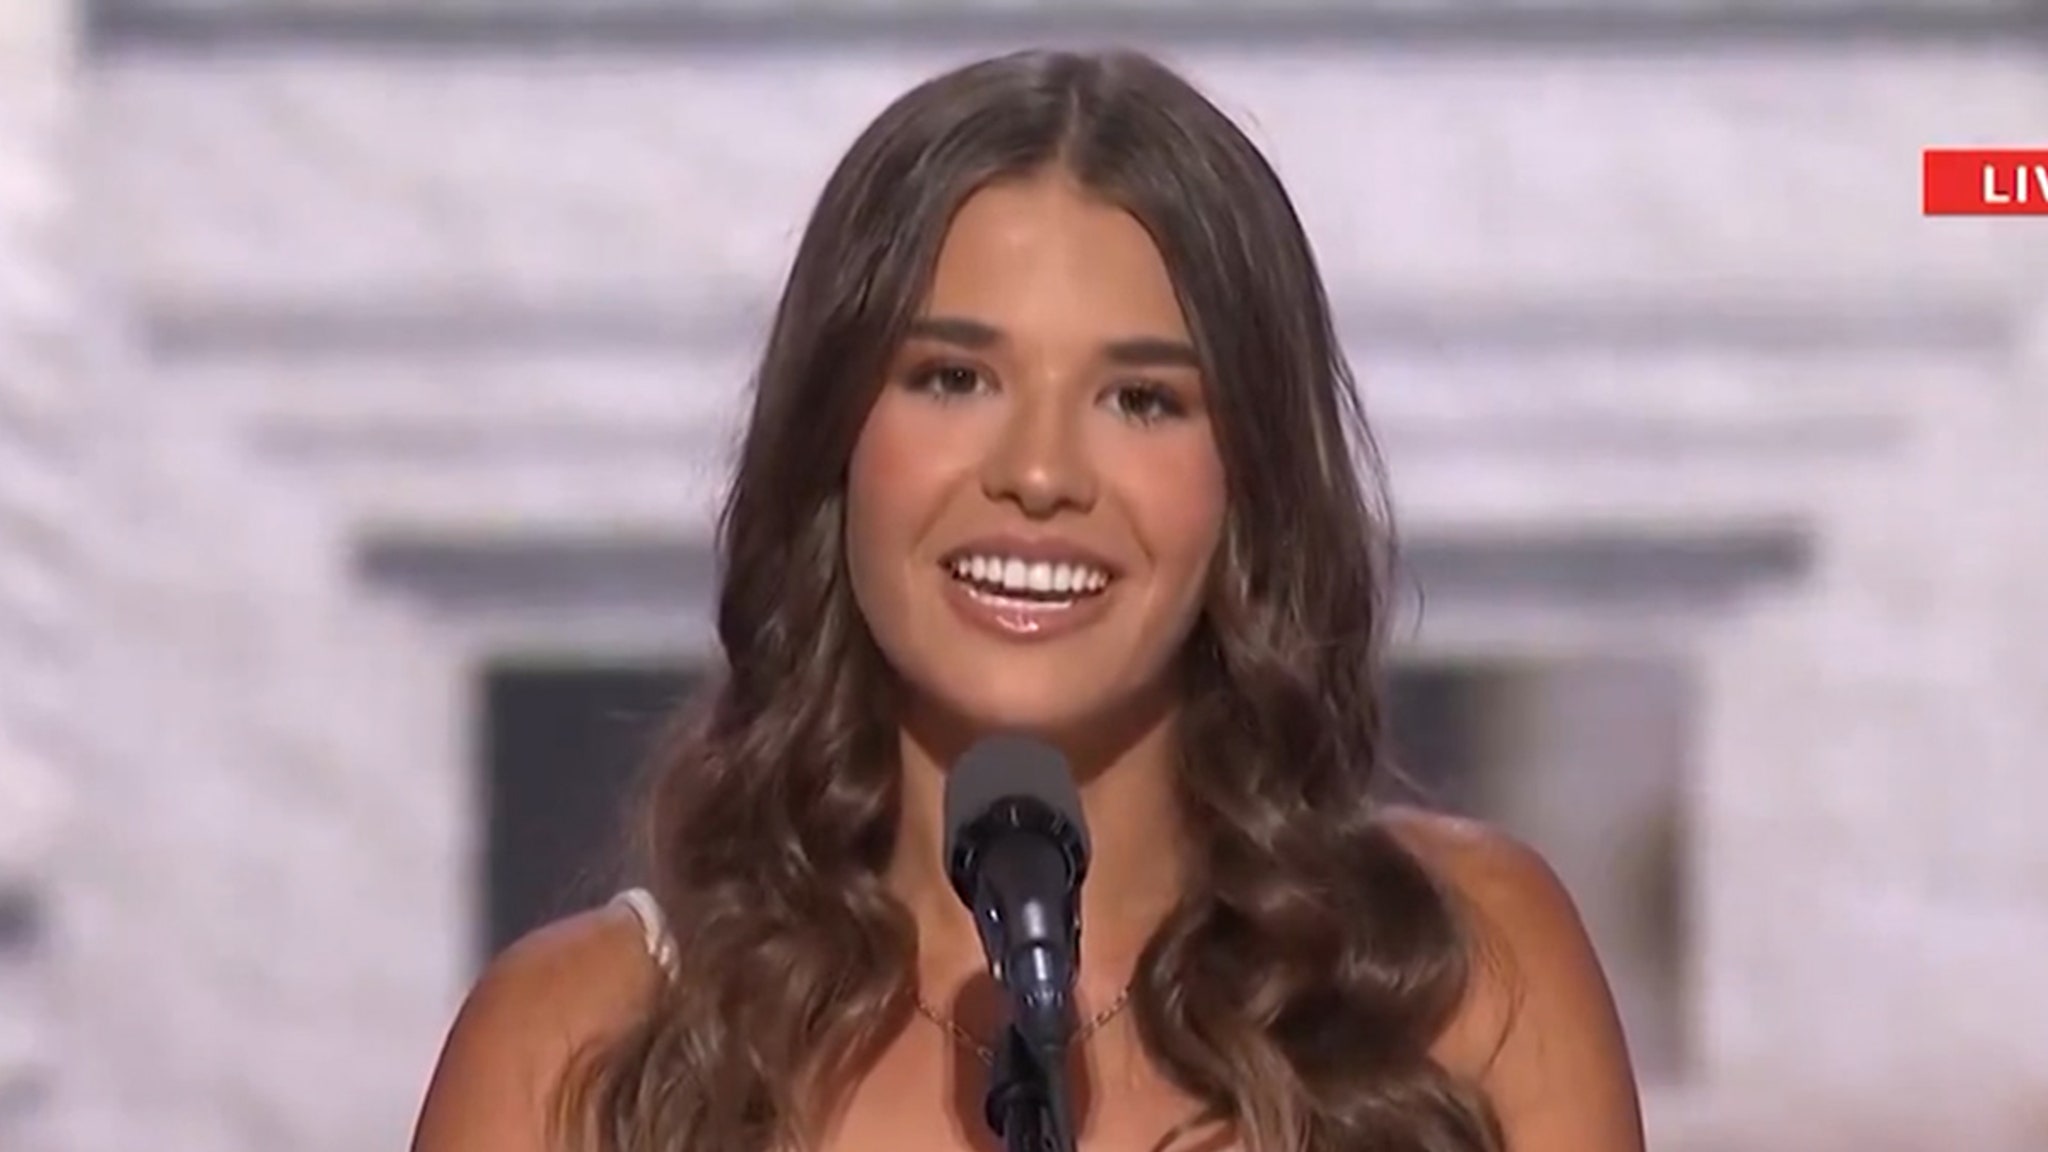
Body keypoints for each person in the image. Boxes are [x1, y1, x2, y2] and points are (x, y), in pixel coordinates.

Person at [411, 47, 1643, 1152]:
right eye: (953, 378)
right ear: (835, 441)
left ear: (1245, 485)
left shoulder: (1453, 981)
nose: (1039, 475)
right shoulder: (578, 1057)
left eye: (1141, 400)